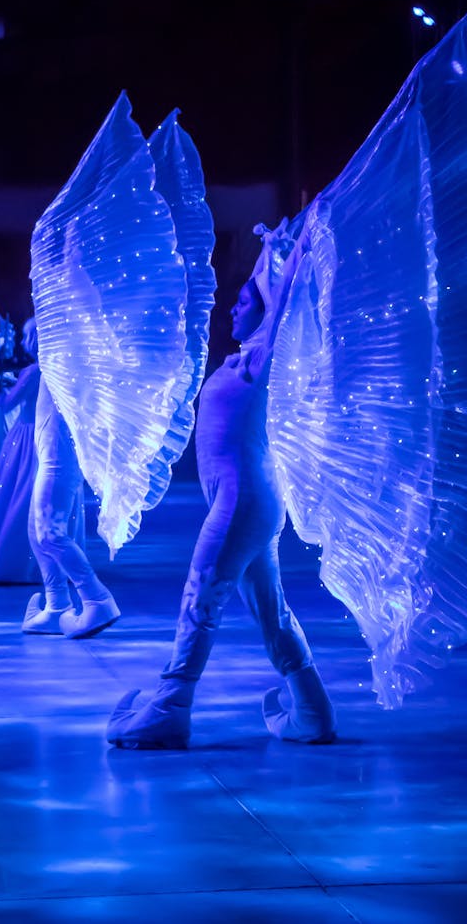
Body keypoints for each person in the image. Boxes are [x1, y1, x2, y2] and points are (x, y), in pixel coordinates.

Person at [106, 226, 335, 748]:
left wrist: (298, 247)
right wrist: (268, 250)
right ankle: (313, 711)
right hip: (247, 500)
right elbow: (268, 286)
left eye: (245, 302)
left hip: (243, 501)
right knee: (268, 609)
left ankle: (170, 708)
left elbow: (286, 295)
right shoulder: (247, 357)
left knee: (201, 594)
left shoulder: (264, 357)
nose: (233, 309)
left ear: (267, 310)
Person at [22, 373, 121, 638]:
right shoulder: (52, 361)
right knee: (37, 532)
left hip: (58, 462)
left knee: (50, 535)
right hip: (51, 460)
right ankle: (57, 606)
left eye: (33, 331)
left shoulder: (64, 355)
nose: (26, 339)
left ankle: (97, 600)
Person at [0, 318, 42, 584]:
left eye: (27, 338)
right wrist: (14, 384)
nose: (23, 344)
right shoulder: (45, 369)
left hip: (25, 437)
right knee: (30, 497)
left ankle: (11, 563)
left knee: (16, 496)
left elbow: (5, 405)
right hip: (40, 434)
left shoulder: (33, 371)